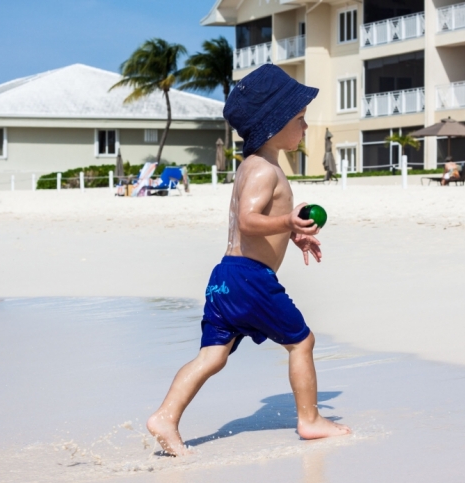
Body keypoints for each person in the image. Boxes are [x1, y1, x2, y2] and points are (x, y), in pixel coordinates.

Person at [146, 64, 351, 457]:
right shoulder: (264, 169)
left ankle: (165, 416)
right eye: (300, 119)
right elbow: (248, 220)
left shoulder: (251, 169)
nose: (305, 127)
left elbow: (255, 224)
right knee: (302, 342)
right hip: (251, 278)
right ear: (274, 124)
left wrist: (293, 231)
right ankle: (309, 419)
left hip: (226, 277)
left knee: (212, 355)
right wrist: (288, 219)